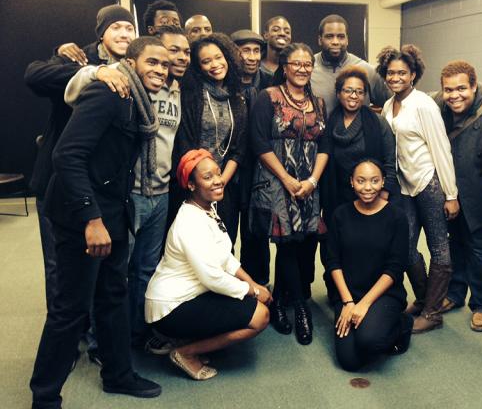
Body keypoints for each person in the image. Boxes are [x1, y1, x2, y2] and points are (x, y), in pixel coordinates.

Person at [29, 36, 170, 408]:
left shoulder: (137, 102)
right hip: (82, 216)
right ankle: (44, 398)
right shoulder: (108, 94)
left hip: (113, 211)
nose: (160, 69)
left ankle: (118, 375)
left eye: (165, 65)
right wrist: (91, 219)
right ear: (133, 62)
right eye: (152, 62)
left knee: (112, 297)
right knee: (70, 309)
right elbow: (67, 156)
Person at [64, 25, 190, 349]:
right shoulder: (118, 85)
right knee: (112, 276)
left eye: (178, 55)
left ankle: (133, 335)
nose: (168, 64)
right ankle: (98, 344)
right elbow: (72, 90)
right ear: (135, 62)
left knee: (146, 270)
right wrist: (100, 70)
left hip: (159, 193)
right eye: (162, 56)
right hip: (128, 194)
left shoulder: (176, 91)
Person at [24, 4, 135, 365]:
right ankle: (65, 348)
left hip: (103, 188)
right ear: (101, 32)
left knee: (106, 278)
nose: (123, 34)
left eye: (128, 28)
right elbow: (34, 75)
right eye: (116, 27)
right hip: (60, 184)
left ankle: (99, 344)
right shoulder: (77, 57)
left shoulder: (136, 69)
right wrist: (94, 71)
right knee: (60, 273)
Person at [145, 149, 271, 380]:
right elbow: (212, 277)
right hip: (171, 307)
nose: (218, 180)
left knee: (249, 301)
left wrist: (252, 283)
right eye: (207, 177)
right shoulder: (189, 220)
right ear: (191, 185)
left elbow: (224, 257)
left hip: (190, 296)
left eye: (218, 173)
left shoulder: (207, 208)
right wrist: (251, 291)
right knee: (260, 316)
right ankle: (185, 352)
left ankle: (188, 339)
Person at [250, 43, 328, 345]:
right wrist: (286, 179)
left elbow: (325, 146)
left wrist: (311, 180)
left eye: (308, 63)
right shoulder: (267, 98)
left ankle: (281, 300)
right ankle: (300, 308)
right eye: (296, 63)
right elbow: (258, 141)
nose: (303, 68)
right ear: (284, 66)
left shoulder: (319, 102)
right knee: (286, 243)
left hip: (309, 183)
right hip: (275, 181)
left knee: (303, 243)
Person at [378, 44, 460, 334]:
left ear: (413, 74)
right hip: (404, 186)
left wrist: (451, 194)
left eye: (402, 72)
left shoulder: (424, 104)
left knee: (439, 246)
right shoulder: (389, 105)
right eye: (390, 72)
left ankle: (433, 313)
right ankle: (425, 299)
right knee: (406, 246)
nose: (395, 77)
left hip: (429, 182)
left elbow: (442, 149)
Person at [431, 60, 482, 332]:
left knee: (479, 250)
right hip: (448, 193)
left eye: (462, 88)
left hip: (480, 194)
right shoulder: (437, 106)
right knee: (454, 247)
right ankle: (454, 294)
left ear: (474, 86)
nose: (455, 95)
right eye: (449, 90)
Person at [320, 65, 399, 301]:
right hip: (337, 197)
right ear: (339, 93)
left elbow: (390, 160)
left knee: (367, 247)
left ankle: (367, 293)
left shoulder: (377, 123)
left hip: (370, 195)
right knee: (336, 245)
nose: (353, 96)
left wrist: (383, 194)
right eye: (347, 91)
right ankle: (338, 292)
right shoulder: (329, 123)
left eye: (359, 91)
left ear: (365, 95)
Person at [326, 159, 413, 371]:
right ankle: (366, 321)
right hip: (348, 295)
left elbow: (395, 267)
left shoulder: (397, 216)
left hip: (383, 294)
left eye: (374, 181)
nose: (368, 187)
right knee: (349, 361)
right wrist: (348, 302)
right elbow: (332, 261)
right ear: (352, 182)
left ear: (383, 181)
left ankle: (403, 324)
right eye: (361, 181)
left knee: (370, 341)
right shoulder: (340, 215)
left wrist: (364, 304)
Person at [170, 33, 248, 247]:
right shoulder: (191, 94)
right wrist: (202, 182)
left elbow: (239, 148)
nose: (215, 65)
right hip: (193, 186)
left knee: (223, 246)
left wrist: (221, 180)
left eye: (218, 57)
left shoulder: (237, 97)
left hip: (223, 186)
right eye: (206, 61)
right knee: (194, 248)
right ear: (198, 66)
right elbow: (185, 143)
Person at [230, 29, 272, 288]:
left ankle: (260, 284)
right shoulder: (225, 80)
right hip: (230, 170)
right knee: (224, 231)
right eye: (245, 50)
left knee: (257, 232)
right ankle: (229, 286)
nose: (252, 56)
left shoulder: (270, 81)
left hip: (262, 169)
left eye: (256, 50)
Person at [310, 14, 389, 116]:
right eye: (329, 36)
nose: (335, 42)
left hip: (357, 131)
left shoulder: (366, 70)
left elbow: (391, 104)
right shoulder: (307, 69)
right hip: (319, 132)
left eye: (341, 37)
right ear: (320, 40)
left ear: (347, 40)